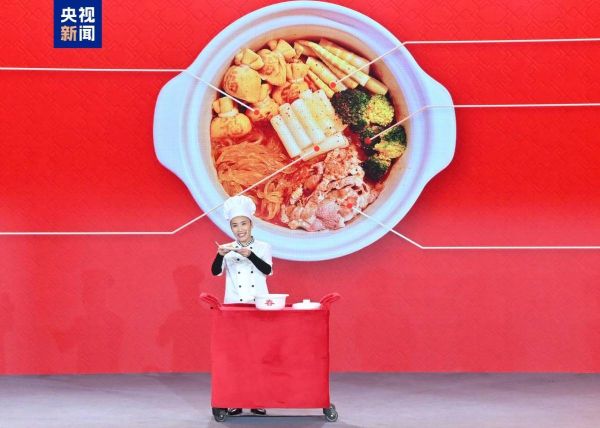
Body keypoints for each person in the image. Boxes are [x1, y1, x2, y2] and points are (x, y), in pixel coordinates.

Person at [211, 195, 272, 417]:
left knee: (258, 354)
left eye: (243, 224)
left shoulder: (263, 247)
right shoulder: (227, 249)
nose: (240, 229)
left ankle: (257, 400)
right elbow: (215, 272)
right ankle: (235, 400)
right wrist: (219, 255)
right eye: (235, 225)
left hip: (258, 306)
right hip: (234, 307)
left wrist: (251, 255)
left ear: (251, 225)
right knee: (236, 356)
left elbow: (267, 270)